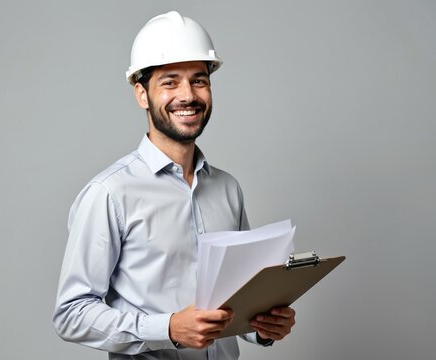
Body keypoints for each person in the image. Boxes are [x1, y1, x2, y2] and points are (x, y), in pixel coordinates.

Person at [53, 11, 296, 359]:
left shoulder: (228, 189)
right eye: (169, 82)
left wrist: (265, 328)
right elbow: (70, 314)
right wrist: (166, 329)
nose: (188, 95)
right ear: (141, 93)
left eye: (199, 80)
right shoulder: (109, 193)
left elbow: (238, 299)